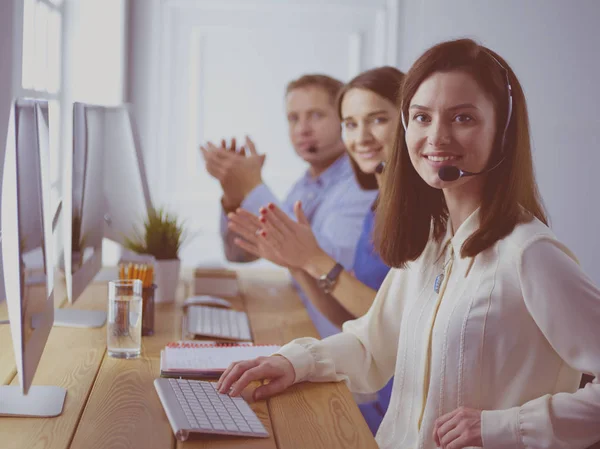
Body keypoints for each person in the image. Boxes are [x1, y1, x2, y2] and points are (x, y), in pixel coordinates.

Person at [215, 38, 600, 449]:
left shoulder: (530, 253)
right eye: (421, 117)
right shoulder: (432, 242)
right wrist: (292, 362)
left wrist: (503, 428)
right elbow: (372, 344)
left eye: (463, 118)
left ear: (503, 132)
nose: (436, 136)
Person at [226, 66, 405, 434]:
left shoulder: (395, 206)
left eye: (377, 120)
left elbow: (390, 323)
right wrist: (295, 262)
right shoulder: (379, 207)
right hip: (371, 369)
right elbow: (351, 317)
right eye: (351, 124)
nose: (362, 137)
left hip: (390, 389)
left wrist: (308, 257)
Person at [200, 74, 377, 279]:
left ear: (345, 120)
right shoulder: (303, 186)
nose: (302, 129)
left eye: (316, 115)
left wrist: (252, 187)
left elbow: (331, 267)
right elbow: (239, 255)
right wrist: (235, 196)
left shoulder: (362, 184)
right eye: (293, 118)